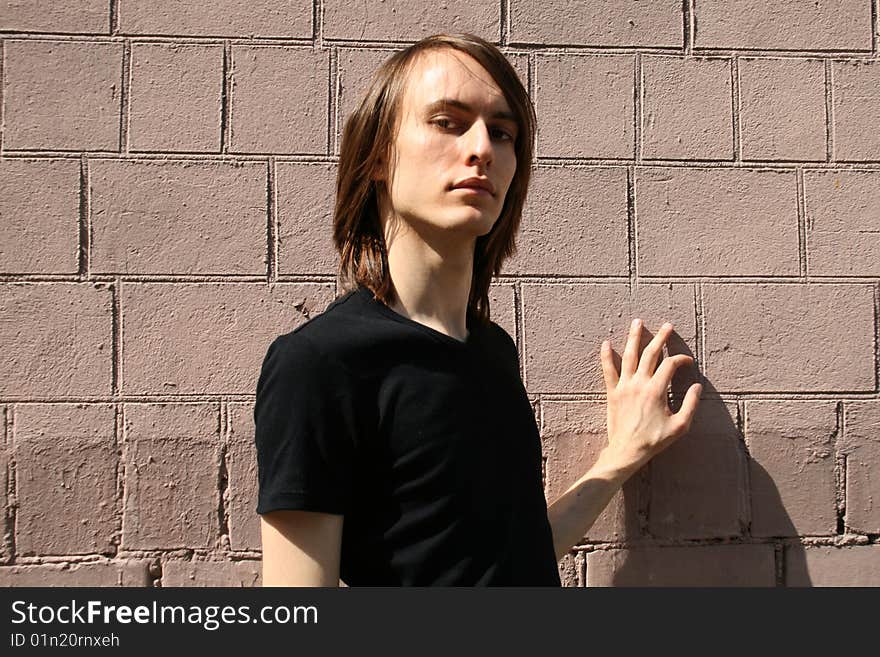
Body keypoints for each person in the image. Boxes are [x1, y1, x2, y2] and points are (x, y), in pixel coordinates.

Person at [254, 33, 702, 586]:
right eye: (447, 122)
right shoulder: (321, 364)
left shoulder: (492, 351)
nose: (483, 148)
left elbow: (505, 560)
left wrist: (620, 456)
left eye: (503, 131)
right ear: (376, 155)